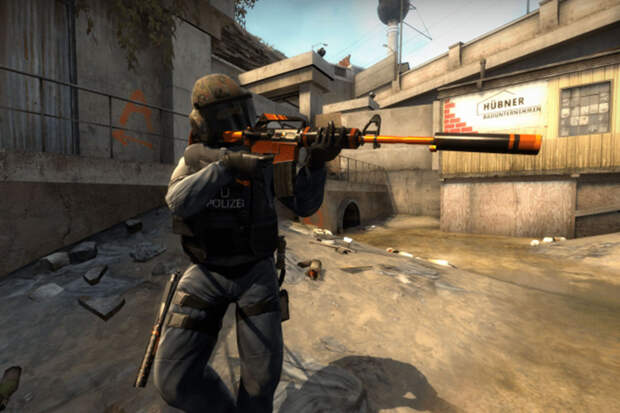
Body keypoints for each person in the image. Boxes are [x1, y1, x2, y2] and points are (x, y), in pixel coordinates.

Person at [153, 73, 341, 413]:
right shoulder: (194, 157)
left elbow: (303, 204)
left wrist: (316, 163)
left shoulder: (265, 152)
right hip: (206, 271)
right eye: (229, 115)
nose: (240, 122)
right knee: (174, 380)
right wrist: (225, 167)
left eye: (242, 111)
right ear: (205, 122)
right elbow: (177, 201)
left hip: (255, 272)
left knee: (261, 381)